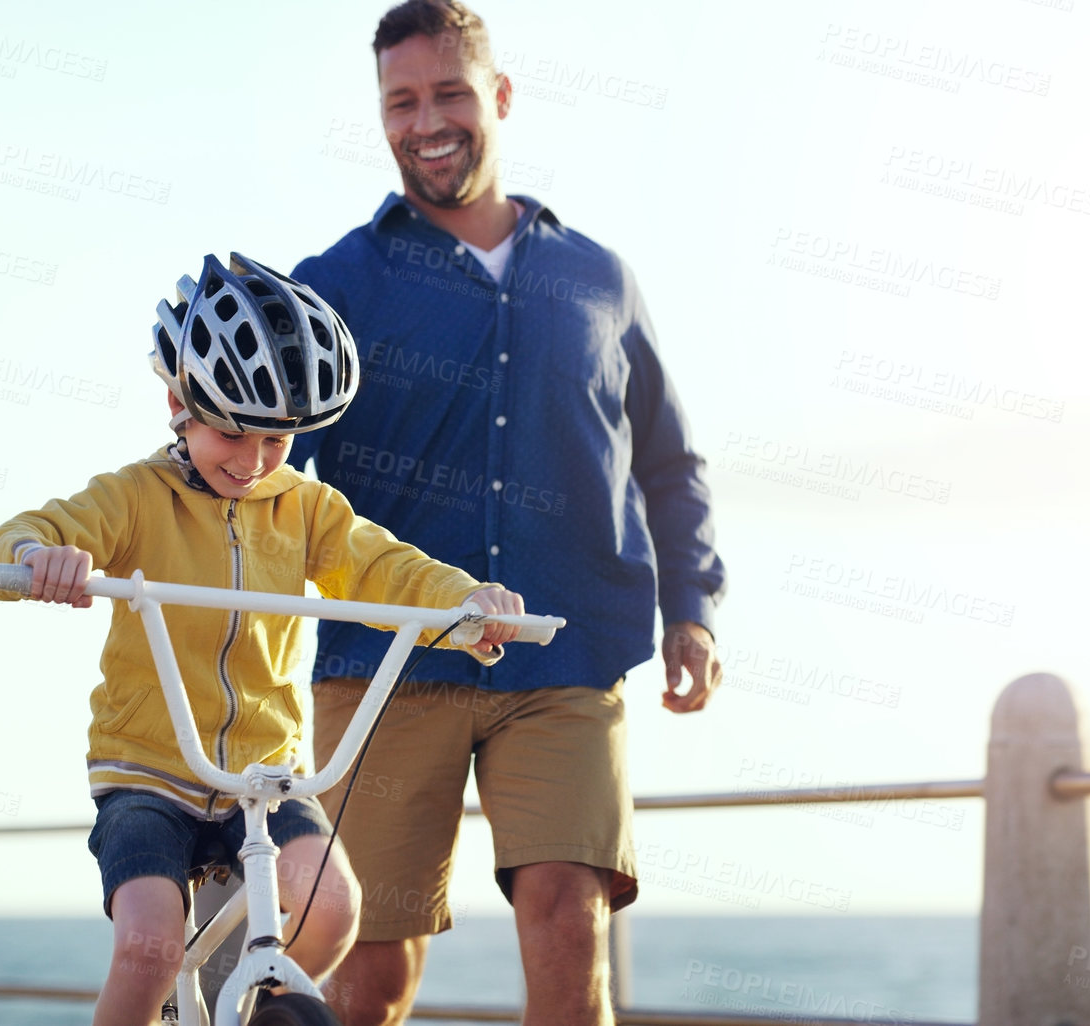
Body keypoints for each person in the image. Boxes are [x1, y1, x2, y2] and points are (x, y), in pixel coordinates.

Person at [284, 3, 728, 1025]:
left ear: (501, 98)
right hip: (386, 659)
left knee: (569, 931)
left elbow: (667, 460)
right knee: (370, 975)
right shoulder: (334, 285)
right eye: (402, 102)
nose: (426, 121)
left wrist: (691, 608)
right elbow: (261, 474)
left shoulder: (600, 280)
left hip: (561, 659)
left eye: (449, 93)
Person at [0, 252, 529, 1026]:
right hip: (150, 773)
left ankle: (258, 1006)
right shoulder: (137, 498)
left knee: (334, 907)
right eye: (233, 435)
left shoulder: (304, 507)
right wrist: (39, 558)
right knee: (147, 949)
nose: (254, 462)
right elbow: (26, 532)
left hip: (267, 778)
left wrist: (464, 602)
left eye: (277, 442)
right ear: (176, 401)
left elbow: (384, 569)